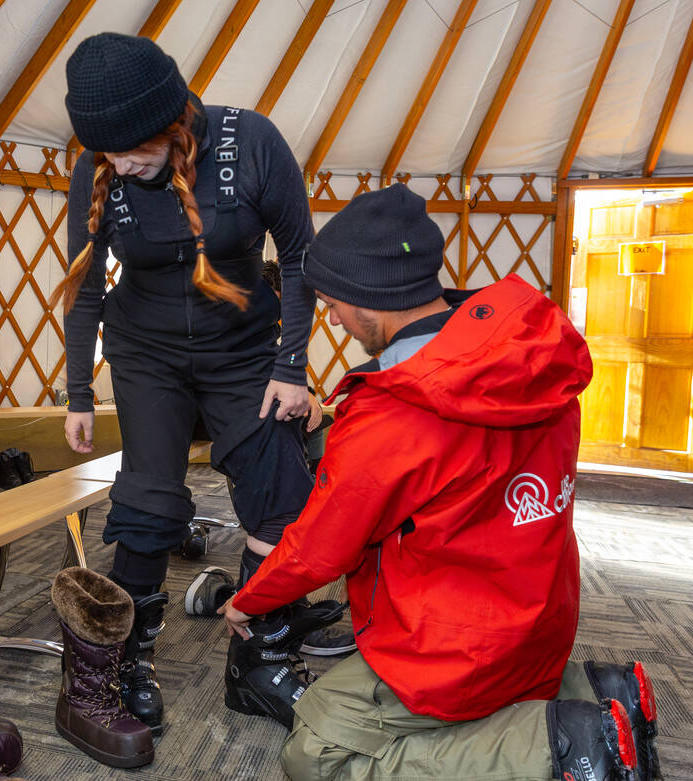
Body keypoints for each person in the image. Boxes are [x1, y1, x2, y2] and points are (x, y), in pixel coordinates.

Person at [220, 184, 660, 781]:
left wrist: (248, 598)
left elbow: (322, 545)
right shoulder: (531, 360)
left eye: (332, 304)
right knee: (366, 702)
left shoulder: (393, 412)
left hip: (456, 651)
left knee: (314, 748)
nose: (333, 319)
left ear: (366, 302)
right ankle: (608, 693)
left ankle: (562, 748)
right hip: (541, 624)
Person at [55, 31, 353, 740]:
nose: (123, 165)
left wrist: (290, 368)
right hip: (145, 351)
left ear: (174, 119)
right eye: (110, 155)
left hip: (244, 349)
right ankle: (127, 663)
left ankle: (260, 663)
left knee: (278, 493)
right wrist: (76, 391)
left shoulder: (249, 144)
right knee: (149, 503)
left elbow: (303, 254)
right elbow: (85, 288)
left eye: (138, 150)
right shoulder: (97, 172)